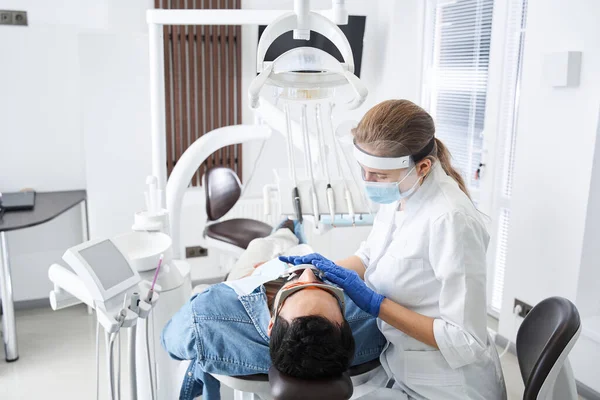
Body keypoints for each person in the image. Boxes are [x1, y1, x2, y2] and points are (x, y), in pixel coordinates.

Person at [281, 99, 507, 400]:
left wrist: (377, 305)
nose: (368, 182)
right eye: (364, 170)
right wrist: (322, 270)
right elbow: (369, 256)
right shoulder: (403, 193)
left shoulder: (451, 220)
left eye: (378, 175)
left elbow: (465, 340)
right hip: (399, 367)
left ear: (423, 166)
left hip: (445, 386)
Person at [161, 226, 386, 400]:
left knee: (262, 244)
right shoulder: (375, 321)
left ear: (272, 325)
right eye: (325, 288)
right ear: (347, 322)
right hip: (294, 262)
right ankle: (292, 231)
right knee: (303, 250)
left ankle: (285, 229)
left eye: (295, 291)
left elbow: (169, 340)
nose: (308, 273)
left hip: (256, 274)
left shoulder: (207, 319)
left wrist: (256, 276)